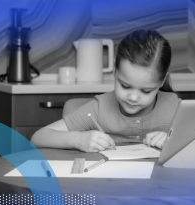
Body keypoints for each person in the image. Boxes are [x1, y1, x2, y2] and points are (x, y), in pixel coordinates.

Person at [31, 29, 181, 152]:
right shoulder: (98, 108)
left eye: (146, 91)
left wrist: (174, 140)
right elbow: (37, 138)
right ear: (115, 71)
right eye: (125, 86)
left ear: (162, 81)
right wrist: (78, 139)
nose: (133, 97)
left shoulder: (177, 108)